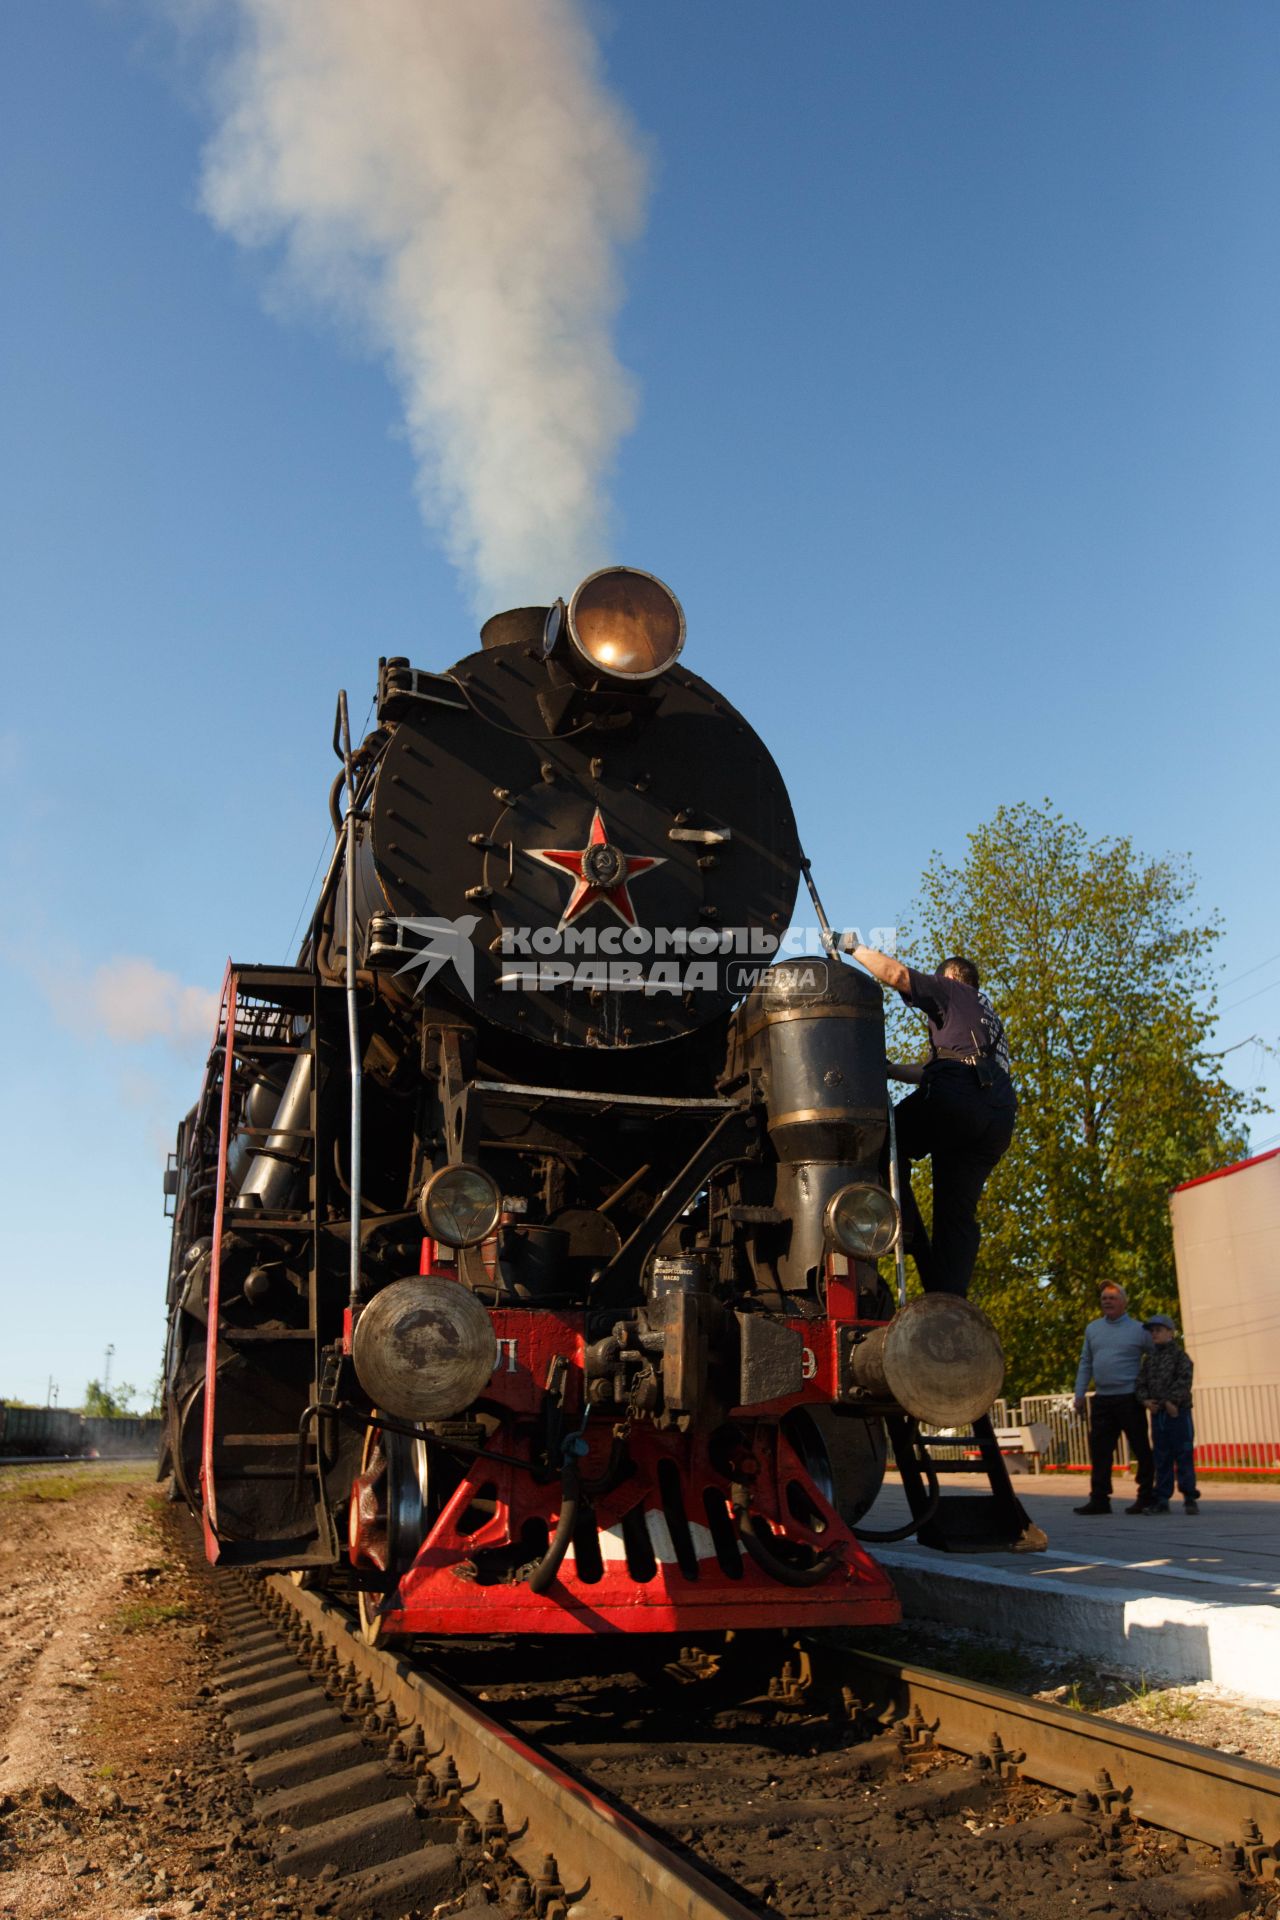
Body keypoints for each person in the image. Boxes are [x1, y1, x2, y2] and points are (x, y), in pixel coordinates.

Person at [844, 943, 1017, 1297]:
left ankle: (905, 1233)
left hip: (959, 1098)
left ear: (950, 976)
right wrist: (890, 1070)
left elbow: (898, 976)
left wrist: (851, 946)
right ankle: (947, 1297)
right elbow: (932, 1070)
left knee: (882, 1139)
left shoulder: (952, 989)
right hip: (997, 1114)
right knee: (957, 1215)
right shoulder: (986, 1015)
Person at [1072, 1282, 1155, 1514]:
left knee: (1140, 1447)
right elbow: (1085, 1362)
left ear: (1124, 1302)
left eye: (1112, 1297)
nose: (1106, 1301)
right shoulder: (1093, 1329)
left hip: (1130, 1398)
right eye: (1103, 1298)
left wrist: (1149, 1388)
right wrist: (1079, 1393)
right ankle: (1099, 1499)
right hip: (1102, 1399)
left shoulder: (1139, 1330)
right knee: (1100, 1450)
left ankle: (1146, 1496)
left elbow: (1156, 1356)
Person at [1136, 1313, 1200, 1515]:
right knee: (1161, 1456)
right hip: (1159, 1415)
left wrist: (1173, 1401)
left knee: (1183, 1453)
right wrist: (1145, 1400)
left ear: (1170, 1333)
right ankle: (1162, 1498)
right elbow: (1140, 1383)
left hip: (1177, 1414)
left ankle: (1189, 1496)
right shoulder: (1150, 1359)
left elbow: (1184, 1380)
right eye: (1152, 1331)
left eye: (1159, 1330)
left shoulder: (1180, 1357)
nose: (1154, 1334)